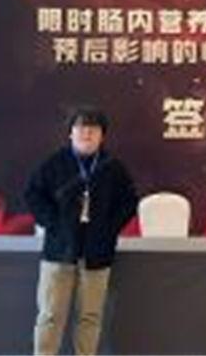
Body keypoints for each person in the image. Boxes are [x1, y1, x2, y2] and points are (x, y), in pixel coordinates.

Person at [25, 106, 138, 355]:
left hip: (97, 253)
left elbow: (129, 201)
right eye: (81, 127)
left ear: (102, 135)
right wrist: (52, 223)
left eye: (93, 128)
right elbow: (32, 194)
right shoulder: (54, 163)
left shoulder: (112, 167)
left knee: (90, 317)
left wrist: (109, 229)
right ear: (70, 132)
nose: (87, 133)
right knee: (50, 315)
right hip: (59, 251)